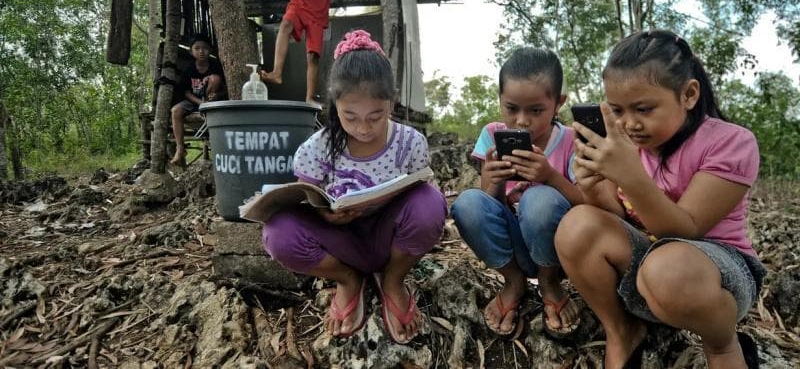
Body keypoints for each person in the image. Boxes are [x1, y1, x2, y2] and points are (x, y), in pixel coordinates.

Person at [555, 30, 766, 369]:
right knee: (576, 224)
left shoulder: (731, 143)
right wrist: (593, 187)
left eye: (643, 108)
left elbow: (687, 229)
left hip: (718, 272)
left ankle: (723, 345)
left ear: (689, 94)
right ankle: (621, 330)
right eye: (618, 111)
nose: (629, 123)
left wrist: (631, 176)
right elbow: (613, 217)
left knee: (667, 268)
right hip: (649, 264)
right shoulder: (625, 146)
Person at [261, 29, 446, 344]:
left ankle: (392, 280)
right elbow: (305, 199)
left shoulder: (410, 143)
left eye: (376, 116)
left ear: (392, 101)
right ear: (335, 104)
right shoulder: (316, 148)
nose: (363, 128)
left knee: (430, 201)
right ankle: (347, 280)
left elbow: (419, 195)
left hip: (388, 240)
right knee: (278, 232)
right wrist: (324, 216)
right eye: (350, 116)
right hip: (339, 241)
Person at [450, 48, 584, 337]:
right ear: (499, 100)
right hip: (514, 249)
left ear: (558, 103)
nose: (522, 121)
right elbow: (489, 210)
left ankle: (549, 283)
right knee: (468, 204)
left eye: (536, 110)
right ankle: (513, 282)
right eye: (512, 108)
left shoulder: (571, 141)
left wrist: (549, 176)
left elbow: (585, 204)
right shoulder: (492, 135)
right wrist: (494, 182)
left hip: (558, 251)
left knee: (539, 200)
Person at [170, 34, 226, 165]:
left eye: (205, 48)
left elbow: (225, 87)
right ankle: (180, 148)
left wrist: (216, 95)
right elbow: (186, 92)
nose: (201, 51)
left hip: (211, 101)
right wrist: (200, 103)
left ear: (210, 50)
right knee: (175, 111)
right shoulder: (189, 69)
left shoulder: (215, 66)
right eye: (197, 48)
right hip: (194, 101)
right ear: (191, 51)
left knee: (215, 78)